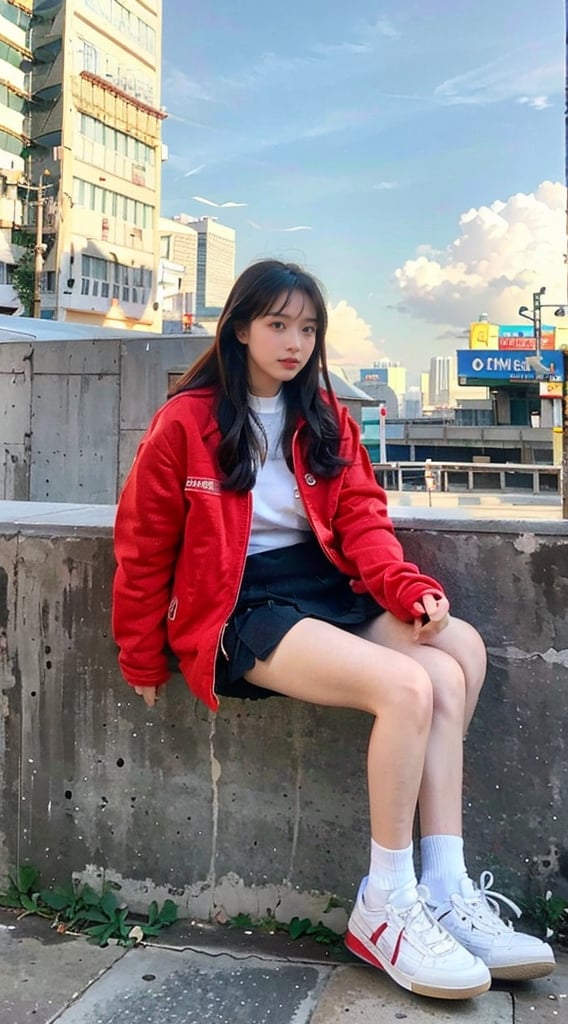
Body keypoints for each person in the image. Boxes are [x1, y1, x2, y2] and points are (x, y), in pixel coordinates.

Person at [112, 259, 555, 1001]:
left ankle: (443, 887)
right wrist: (141, 656)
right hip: (243, 603)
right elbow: (143, 542)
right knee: (410, 687)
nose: (294, 342)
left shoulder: (323, 415)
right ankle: (384, 904)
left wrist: (407, 588)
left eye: (307, 328)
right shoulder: (187, 421)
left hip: (325, 586)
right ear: (242, 328)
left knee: (459, 653)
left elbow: (361, 518)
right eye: (278, 324)